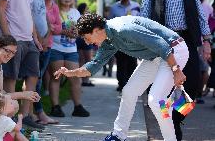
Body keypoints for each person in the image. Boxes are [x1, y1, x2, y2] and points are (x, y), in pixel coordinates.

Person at [54, 13, 189, 141]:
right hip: (155, 56)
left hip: (173, 51)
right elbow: (94, 65)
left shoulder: (123, 29)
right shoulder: (108, 40)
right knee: (129, 91)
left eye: (86, 37)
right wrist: (70, 72)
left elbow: (162, 45)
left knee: (155, 100)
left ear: (95, 30)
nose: (87, 42)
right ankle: (118, 135)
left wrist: (176, 70)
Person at [140, 0, 211, 140]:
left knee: (193, 86)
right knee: (164, 88)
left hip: (186, 40)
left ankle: (174, 118)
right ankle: (170, 126)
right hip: (162, 42)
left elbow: (200, 16)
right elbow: (144, 19)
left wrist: (207, 41)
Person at [0, 0, 43, 129]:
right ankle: (9, 118)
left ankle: (25, 116)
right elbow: (0, 10)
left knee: (32, 75)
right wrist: (8, 39)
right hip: (12, 38)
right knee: (10, 77)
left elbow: (28, 12)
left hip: (28, 39)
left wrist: (36, 38)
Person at [48, 0, 90, 117]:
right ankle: (55, 106)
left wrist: (76, 33)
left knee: (75, 78)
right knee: (57, 78)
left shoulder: (76, 13)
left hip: (71, 49)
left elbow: (78, 31)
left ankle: (77, 106)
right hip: (56, 48)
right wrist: (65, 31)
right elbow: (50, 27)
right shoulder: (54, 10)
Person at [30, 0, 58, 125]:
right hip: (35, 43)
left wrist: (47, 36)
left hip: (45, 43)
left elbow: (43, 17)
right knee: (35, 79)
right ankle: (36, 113)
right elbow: (30, 17)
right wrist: (39, 39)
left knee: (37, 79)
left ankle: (34, 113)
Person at [109, 0, 139, 92]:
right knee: (121, 64)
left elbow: (141, 21)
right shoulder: (114, 8)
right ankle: (121, 84)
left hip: (133, 40)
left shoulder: (136, 6)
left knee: (132, 64)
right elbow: (109, 23)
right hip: (119, 40)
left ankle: (130, 86)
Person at [43, 0, 62, 97]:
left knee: (42, 72)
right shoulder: (40, 4)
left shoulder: (54, 7)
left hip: (49, 43)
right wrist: (49, 26)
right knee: (37, 74)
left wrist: (50, 27)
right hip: (37, 42)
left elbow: (59, 28)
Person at [194, 0, 213, 104]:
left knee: (204, 69)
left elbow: (211, 26)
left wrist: (208, 42)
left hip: (203, 44)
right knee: (189, 69)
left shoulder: (209, 9)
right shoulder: (190, 5)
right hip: (189, 41)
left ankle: (199, 94)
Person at [76, 3, 95, 86]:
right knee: (87, 60)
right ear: (83, 9)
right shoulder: (85, 17)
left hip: (79, 40)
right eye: (87, 9)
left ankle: (81, 80)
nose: (88, 10)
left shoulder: (78, 17)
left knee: (81, 60)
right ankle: (85, 80)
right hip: (85, 40)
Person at [102, 6, 114, 77]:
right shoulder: (102, 20)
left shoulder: (113, 19)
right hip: (103, 40)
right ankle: (104, 69)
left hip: (112, 40)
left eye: (108, 11)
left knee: (111, 58)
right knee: (104, 57)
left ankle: (110, 71)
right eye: (106, 11)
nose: (107, 13)